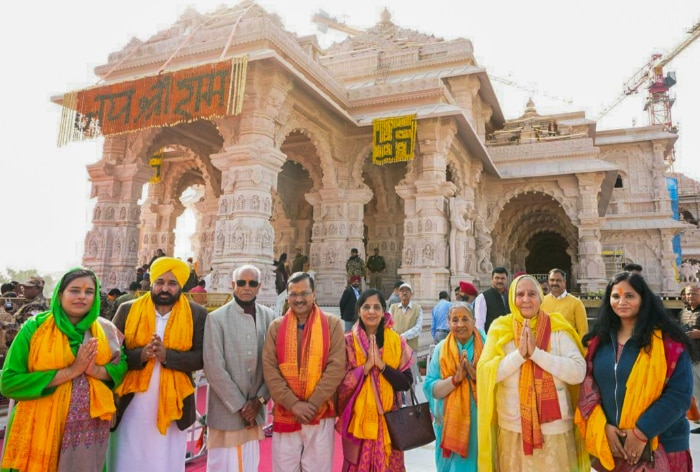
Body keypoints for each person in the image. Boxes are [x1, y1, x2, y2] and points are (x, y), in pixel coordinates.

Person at [0, 268, 127, 472]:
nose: (82, 297)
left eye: (89, 292)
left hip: (87, 432)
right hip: (38, 429)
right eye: (74, 290)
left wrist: (94, 370)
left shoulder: (106, 330)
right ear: (60, 294)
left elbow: (120, 368)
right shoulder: (34, 328)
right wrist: (71, 371)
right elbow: (9, 382)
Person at [575, 272, 695, 471]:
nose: (621, 301)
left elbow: (679, 395)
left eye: (629, 296)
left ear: (643, 299)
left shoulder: (668, 343)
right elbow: (589, 392)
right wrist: (603, 426)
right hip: (616, 447)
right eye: (616, 296)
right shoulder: (598, 343)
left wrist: (642, 432)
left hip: (664, 444)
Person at [477, 274, 588, 471]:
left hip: (555, 429)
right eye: (520, 294)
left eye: (532, 294)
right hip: (513, 429)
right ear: (512, 298)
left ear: (541, 297)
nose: (526, 299)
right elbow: (487, 372)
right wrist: (519, 355)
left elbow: (578, 372)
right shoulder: (500, 328)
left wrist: (537, 354)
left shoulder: (558, 328)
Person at [107, 257, 208, 472]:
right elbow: (111, 354)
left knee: (165, 461)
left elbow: (201, 357)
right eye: (160, 282)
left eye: (172, 284)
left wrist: (166, 356)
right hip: (130, 403)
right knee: (127, 457)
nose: (165, 288)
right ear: (151, 282)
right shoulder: (127, 309)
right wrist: (139, 356)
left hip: (174, 404)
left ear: (181, 286)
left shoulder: (196, 314)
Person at [262, 272, 346, 471]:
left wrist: (312, 403)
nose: (298, 299)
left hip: (320, 412)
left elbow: (336, 367)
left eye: (304, 293)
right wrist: (294, 404)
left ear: (314, 294)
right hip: (286, 412)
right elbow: (270, 369)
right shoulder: (277, 327)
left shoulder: (331, 324)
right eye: (293, 294)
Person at [203, 264, 276, 471]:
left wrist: (259, 400)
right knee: (223, 464)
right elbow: (213, 367)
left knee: (249, 463)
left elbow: (273, 363)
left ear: (259, 286)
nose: (246, 287)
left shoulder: (269, 317)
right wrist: (242, 406)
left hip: (255, 408)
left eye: (252, 283)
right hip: (226, 409)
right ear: (232, 285)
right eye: (241, 283)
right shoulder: (216, 318)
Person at [336, 288, 414, 471]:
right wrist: (365, 368)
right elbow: (340, 384)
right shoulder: (347, 342)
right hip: (359, 421)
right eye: (366, 307)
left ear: (383, 311)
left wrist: (382, 366)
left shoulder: (396, 341)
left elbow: (406, 382)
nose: (371, 312)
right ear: (358, 311)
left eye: (376, 307)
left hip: (390, 418)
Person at [424, 302, 486, 471]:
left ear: (474, 321)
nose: (460, 324)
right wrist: (455, 380)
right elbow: (430, 388)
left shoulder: (488, 347)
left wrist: (475, 375)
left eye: (465, 319)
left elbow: (498, 382)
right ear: (448, 323)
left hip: (480, 422)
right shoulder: (441, 350)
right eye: (455, 320)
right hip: (449, 422)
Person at [541, 268, 588, 340]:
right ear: (548, 282)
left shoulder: (576, 303)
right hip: (548, 347)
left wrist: (584, 349)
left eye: (558, 280)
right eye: (552, 280)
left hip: (570, 346)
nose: (554, 283)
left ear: (564, 282)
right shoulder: (542, 302)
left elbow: (583, 331)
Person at [474, 267, 509, 333]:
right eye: (497, 278)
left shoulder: (508, 296)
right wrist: (485, 341)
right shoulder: (483, 297)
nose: (500, 281)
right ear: (492, 279)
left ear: (506, 280)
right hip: (490, 340)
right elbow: (479, 325)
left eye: (502, 278)